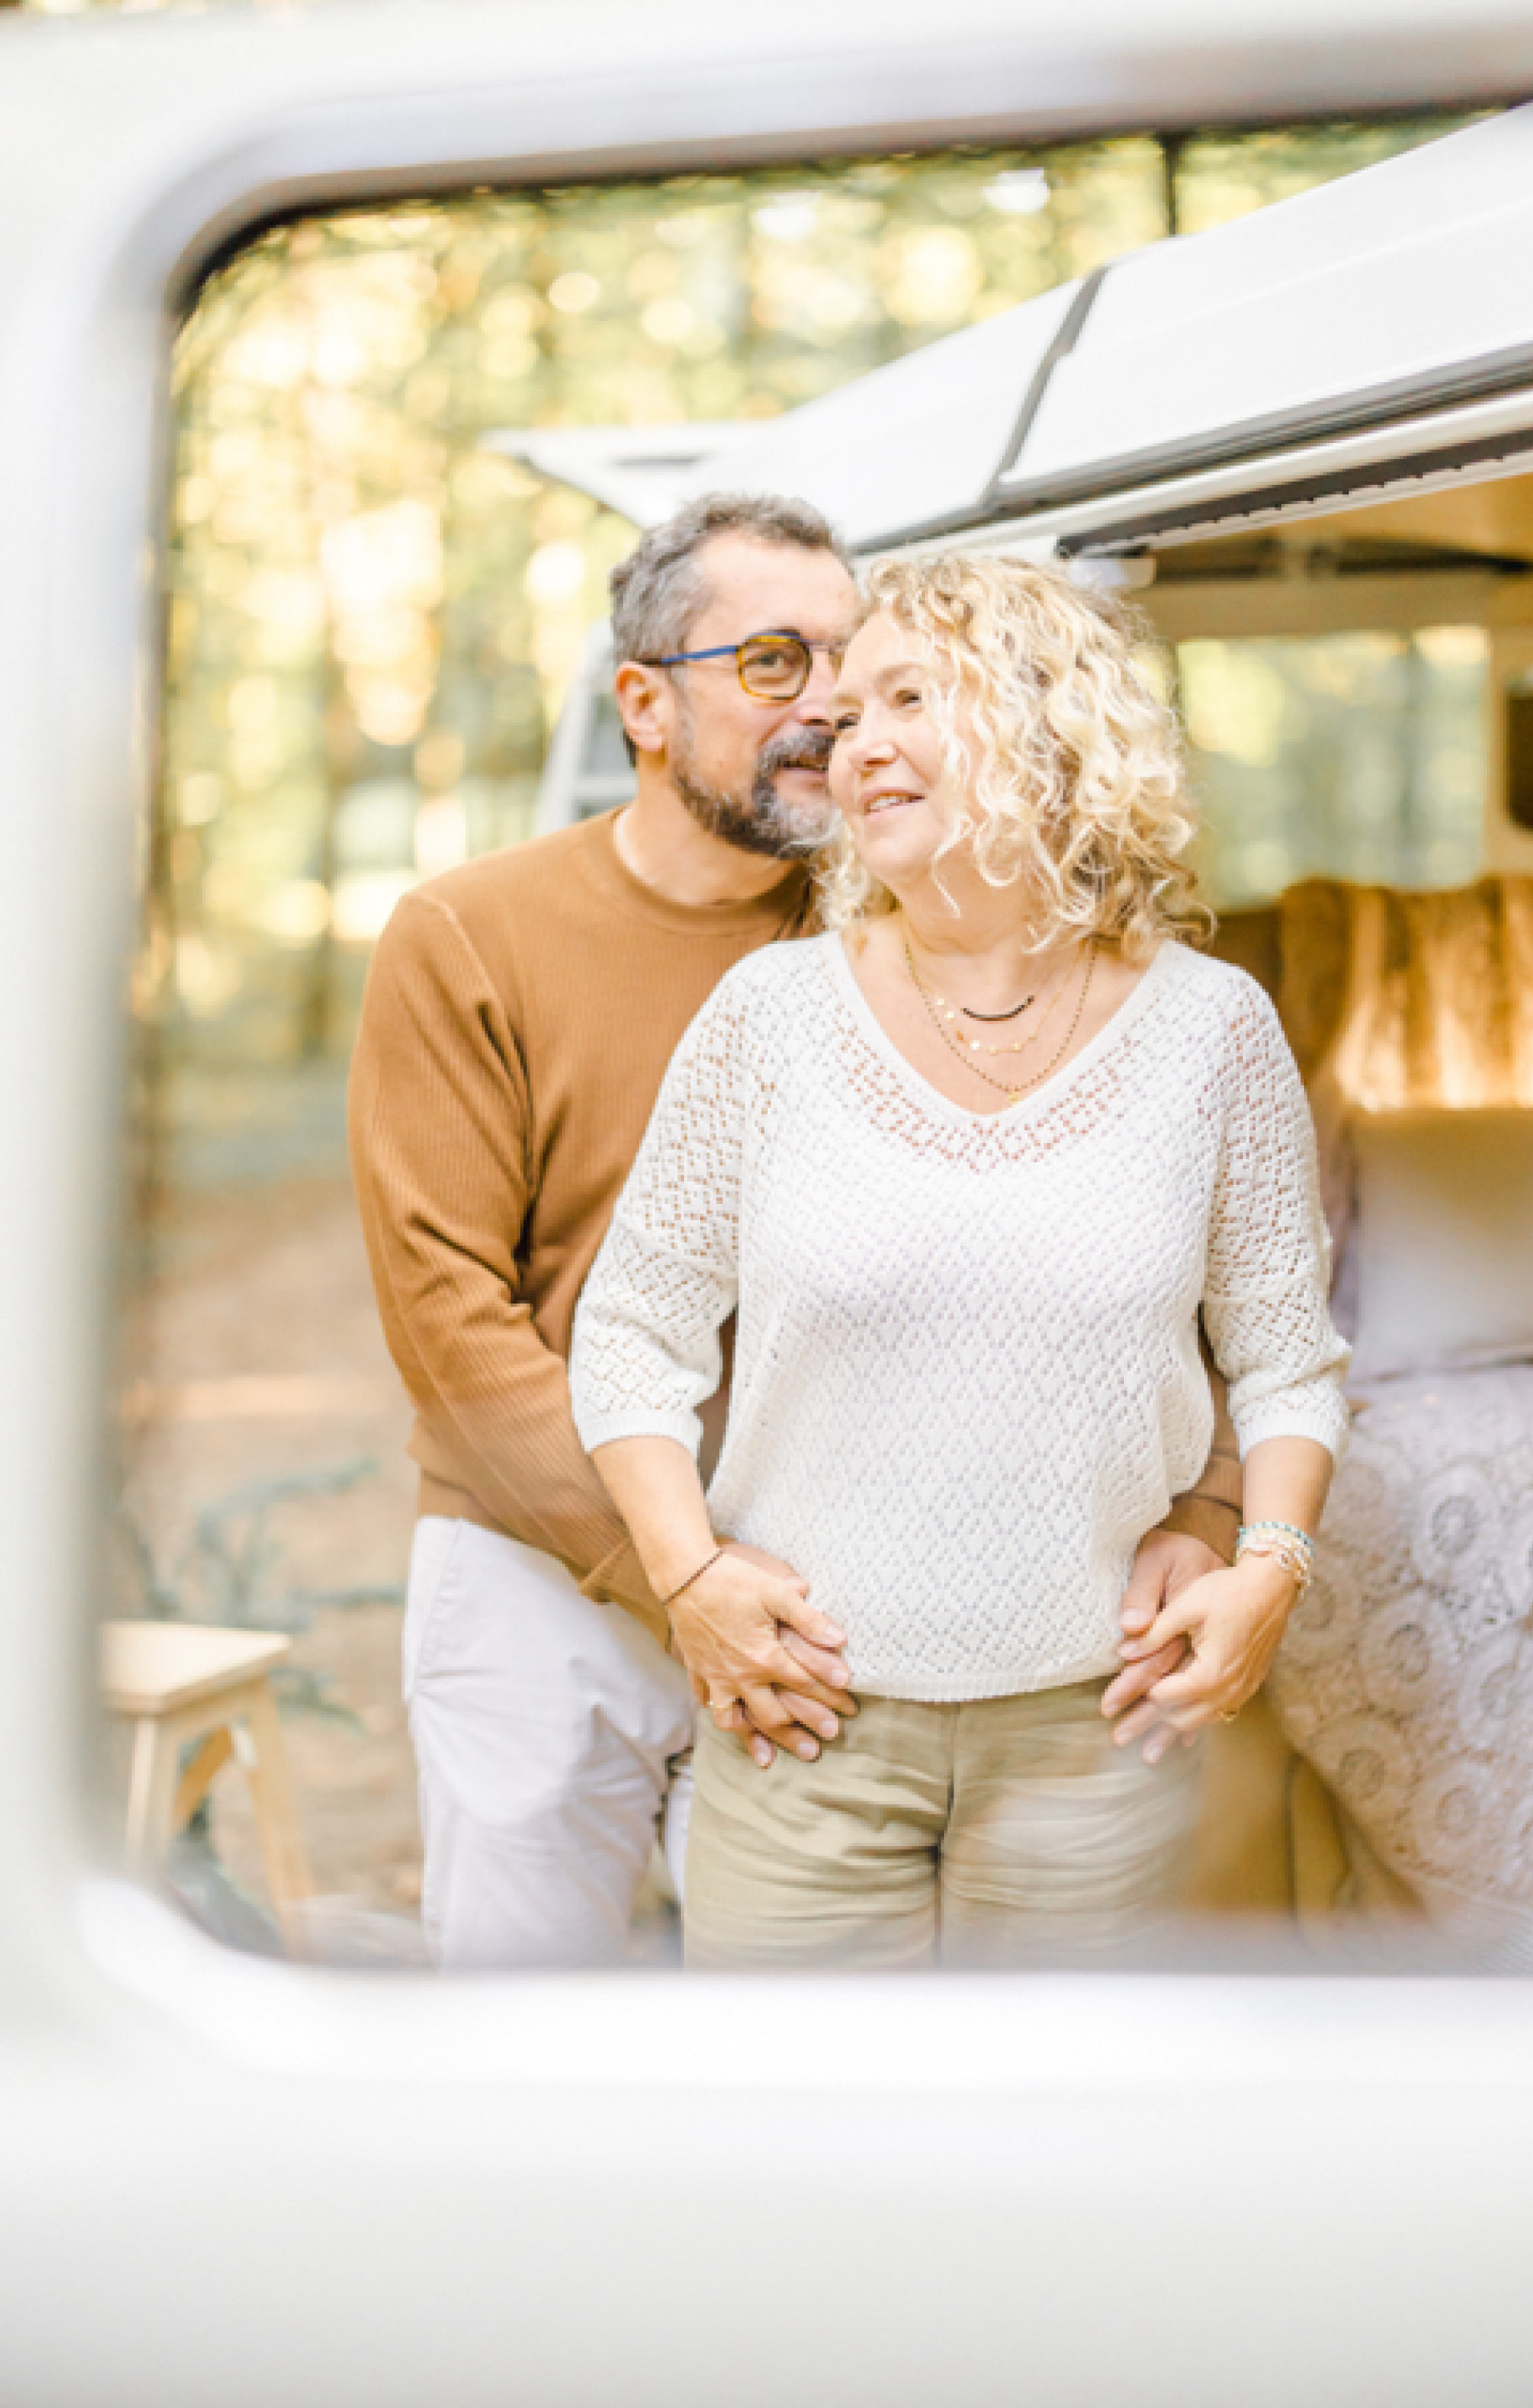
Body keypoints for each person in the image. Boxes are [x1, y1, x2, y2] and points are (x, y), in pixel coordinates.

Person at [350, 499, 1239, 1971]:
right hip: (545, 1573)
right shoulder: (466, 936)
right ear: (643, 701)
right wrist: (682, 1575)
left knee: (800, 2063)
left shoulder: (910, 939)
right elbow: (449, 1329)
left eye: (852, 660)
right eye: (774, 661)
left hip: (835, 1605)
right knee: (526, 2037)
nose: (829, 706)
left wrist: (1205, 1511)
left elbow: (1158, 1280)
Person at [570, 550, 1347, 1971]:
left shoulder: (1214, 1033)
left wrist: (1268, 1565)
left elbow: (1288, 1360)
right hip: (801, 1727)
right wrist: (688, 1581)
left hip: (1098, 1742)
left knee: (1058, 2175)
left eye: (906, 697)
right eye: (844, 715)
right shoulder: (768, 1016)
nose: (852, 741)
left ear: (1049, 724)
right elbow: (631, 1331)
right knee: (806, 2172)